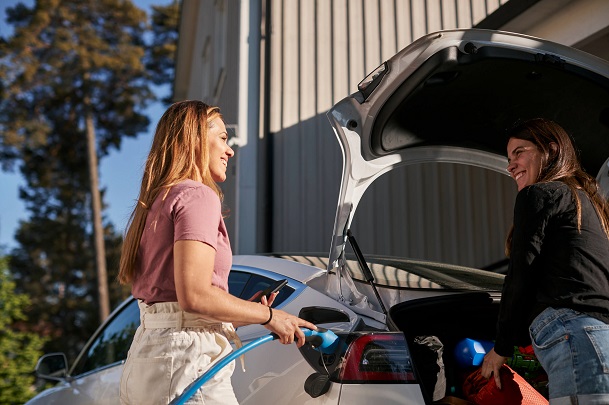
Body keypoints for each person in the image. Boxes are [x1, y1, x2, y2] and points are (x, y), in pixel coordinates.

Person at [117, 100, 316, 405]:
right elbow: (194, 296)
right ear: (194, 138)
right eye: (222, 138)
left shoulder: (156, 203)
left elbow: (175, 306)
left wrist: (239, 313)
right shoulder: (197, 196)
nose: (230, 150)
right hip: (186, 364)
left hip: (148, 358)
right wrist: (271, 316)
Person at [480, 118, 609, 403]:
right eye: (508, 157)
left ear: (550, 151)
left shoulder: (539, 193)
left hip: (572, 332)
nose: (510, 165)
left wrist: (501, 348)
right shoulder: (590, 205)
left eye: (519, 152)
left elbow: (520, 275)